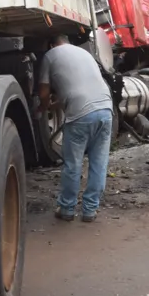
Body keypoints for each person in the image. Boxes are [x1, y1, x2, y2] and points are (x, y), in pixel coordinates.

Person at [38, 35, 113, 223]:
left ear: (52, 44)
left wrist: (42, 108)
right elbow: (79, 88)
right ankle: (89, 210)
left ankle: (67, 209)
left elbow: (44, 93)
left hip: (80, 115)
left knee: (73, 164)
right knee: (99, 163)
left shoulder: (50, 55)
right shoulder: (85, 53)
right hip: (105, 110)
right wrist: (59, 104)